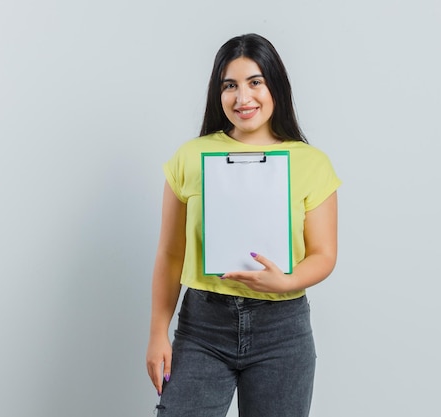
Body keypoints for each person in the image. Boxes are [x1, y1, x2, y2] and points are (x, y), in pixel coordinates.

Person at [145, 33, 341, 417]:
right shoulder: (191, 156)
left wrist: (287, 280)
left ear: (275, 86)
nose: (242, 98)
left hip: (282, 330)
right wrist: (157, 333)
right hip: (202, 326)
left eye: (255, 82)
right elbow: (170, 253)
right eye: (229, 85)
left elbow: (324, 253)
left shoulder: (312, 163)